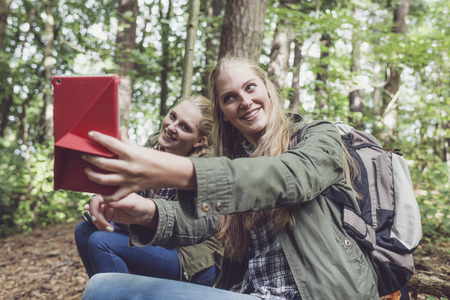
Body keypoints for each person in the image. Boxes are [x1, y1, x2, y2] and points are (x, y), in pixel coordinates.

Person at [80, 56, 379, 299]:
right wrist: (145, 212)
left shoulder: (318, 135)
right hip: (249, 291)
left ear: (267, 88)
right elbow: (210, 221)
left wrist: (181, 171)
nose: (245, 101)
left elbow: (289, 176)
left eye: (250, 88)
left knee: (102, 288)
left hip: (316, 293)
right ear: (224, 112)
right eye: (230, 97)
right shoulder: (236, 161)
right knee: (104, 280)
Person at [74, 95, 223, 287]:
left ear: (199, 141)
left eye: (184, 127)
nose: (171, 127)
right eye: (172, 116)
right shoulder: (154, 145)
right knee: (84, 231)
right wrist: (106, 199)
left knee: (102, 242)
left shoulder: (205, 167)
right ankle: (109, 291)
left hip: (192, 255)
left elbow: (189, 226)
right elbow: (126, 186)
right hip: (157, 239)